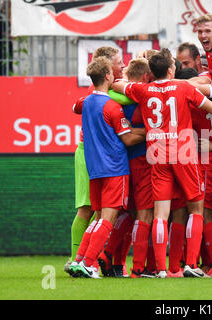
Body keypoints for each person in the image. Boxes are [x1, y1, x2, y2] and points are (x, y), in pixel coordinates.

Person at [111, 49, 212, 278]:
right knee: (196, 209)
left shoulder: (143, 89)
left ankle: (161, 269)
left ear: (152, 72)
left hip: (156, 154)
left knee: (160, 213)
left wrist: (120, 83)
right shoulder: (184, 87)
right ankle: (191, 265)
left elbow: (119, 86)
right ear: (171, 70)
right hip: (183, 154)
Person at [68, 57, 145, 278]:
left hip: (95, 171)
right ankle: (89, 263)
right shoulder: (112, 106)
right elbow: (128, 139)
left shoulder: (87, 103)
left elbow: (76, 107)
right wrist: (150, 131)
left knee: (99, 218)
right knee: (108, 220)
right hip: (115, 169)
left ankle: (81, 260)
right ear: (109, 77)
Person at [65, 46, 127, 276]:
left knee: (97, 214)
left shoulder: (93, 95)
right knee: (89, 211)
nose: (122, 66)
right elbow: (126, 130)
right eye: (118, 63)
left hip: (95, 160)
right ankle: (83, 260)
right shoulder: (104, 96)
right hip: (102, 159)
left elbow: (76, 106)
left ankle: (80, 260)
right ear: (107, 71)